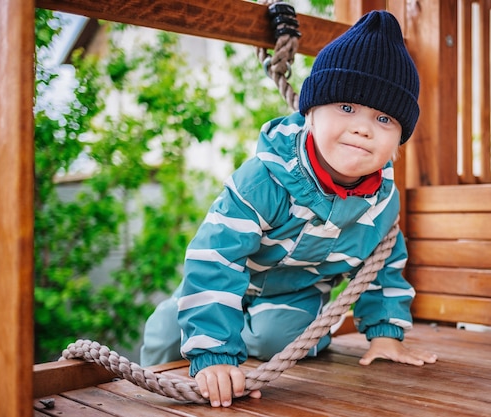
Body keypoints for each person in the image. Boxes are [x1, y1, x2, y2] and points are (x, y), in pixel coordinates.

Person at [140, 10, 437, 408]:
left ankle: (240, 353)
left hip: (297, 294)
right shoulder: (264, 179)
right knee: (166, 330)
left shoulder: (380, 202)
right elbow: (217, 256)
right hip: (233, 277)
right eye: (346, 108)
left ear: (399, 140)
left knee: (279, 339)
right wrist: (213, 354)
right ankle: (160, 394)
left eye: (383, 118)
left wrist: (385, 334)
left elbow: (383, 266)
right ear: (310, 112)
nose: (363, 128)